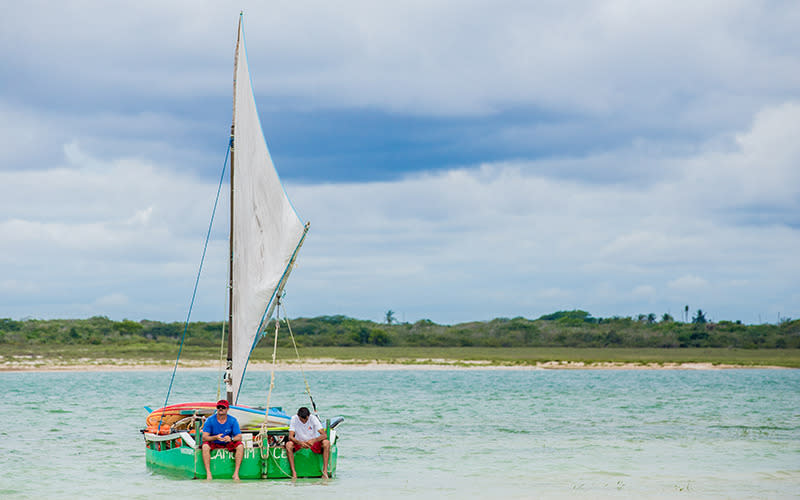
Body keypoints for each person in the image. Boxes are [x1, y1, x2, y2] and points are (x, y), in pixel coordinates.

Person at [201, 399, 244, 481]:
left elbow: (239, 436)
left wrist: (231, 439)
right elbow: (204, 437)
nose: (220, 409)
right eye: (219, 407)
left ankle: (236, 473)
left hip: (227, 442)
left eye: (223, 407)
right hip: (214, 442)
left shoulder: (232, 420)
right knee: (205, 446)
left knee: (240, 446)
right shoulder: (210, 420)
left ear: (227, 409)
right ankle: (208, 473)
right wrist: (215, 437)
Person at [286, 406, 330, 479]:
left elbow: (324, 435)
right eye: (301, 419)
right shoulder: (294, 419)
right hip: (299, 442)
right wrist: (299, 442)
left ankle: (325, 471)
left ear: (308, 416)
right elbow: (290, 436)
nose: (304, 421)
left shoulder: (313, 418)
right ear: (298, 416)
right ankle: (294, 472)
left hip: (312, 442)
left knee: (326, 443)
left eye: (306, 419)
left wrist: (314, 440)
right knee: (288, 445)